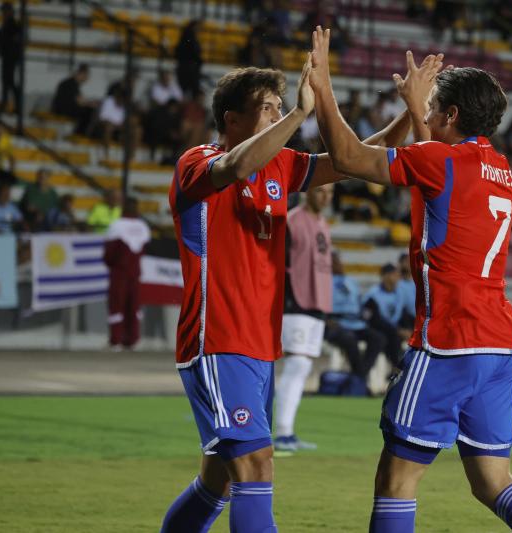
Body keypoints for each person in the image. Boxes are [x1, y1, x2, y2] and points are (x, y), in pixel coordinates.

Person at [309, 27, 512, 532]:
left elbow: (348, 158)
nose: (425, 111)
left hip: (450, 339)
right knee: (494, 482)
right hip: (501, 342)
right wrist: (415, 108)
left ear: (450, 115)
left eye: (432, 106)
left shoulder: (439, 160)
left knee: (397, 479)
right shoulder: (499, 167)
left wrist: (322, 88)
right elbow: (441, 170)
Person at [160, 57, 412, 533]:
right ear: (232, 119)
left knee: (219, 482)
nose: (279, 114)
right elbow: (237, 164)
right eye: (268, 108)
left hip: (258, 345)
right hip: (217, 340)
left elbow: (356, 158)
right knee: (256, 467)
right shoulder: (197, 163)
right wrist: (299, 114)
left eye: (281, 106)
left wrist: (409, 110)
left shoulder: (281, 164)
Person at [274, 184, 333, 452]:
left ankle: (287, 432)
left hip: (317, 303)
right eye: (321, 191)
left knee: (304, 366)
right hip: (295, 300)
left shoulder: (323, 223)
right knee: (296, 364)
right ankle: (282, 432)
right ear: (307, 191)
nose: (326, 197)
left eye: (330, 193)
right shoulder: (291, 221)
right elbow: (278, 261)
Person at [326, 251, 387, 390]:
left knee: (378, 338)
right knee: (350, 340)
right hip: (335, 323)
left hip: (356, 323)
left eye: (338, 261)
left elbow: (360, 303)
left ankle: (359, 376)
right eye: (334, 261)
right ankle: (360, 381)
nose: (338, 264)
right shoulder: (324, 281)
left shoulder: (351, 281)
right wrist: (326, 319)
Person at [103, 197, 151, 351]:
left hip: (119, 272)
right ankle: (132, 339)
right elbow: (144, 249)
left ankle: (116, 340)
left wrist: (110, 263)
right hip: (135, 271)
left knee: (117, 305)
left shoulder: (116, 226)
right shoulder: (142, 226)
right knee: (134, 305)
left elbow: (110, 252)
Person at [361, 263, 410, 367]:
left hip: (394, 329)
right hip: (378, 328)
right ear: (386, 276)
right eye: (395, 275)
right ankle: (396, 367)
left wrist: (409, 329)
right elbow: (373, 320)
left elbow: (403, 313)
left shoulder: (399, 293)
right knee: (390, 337)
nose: (398, 278)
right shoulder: (373, 294)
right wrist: (398, 330)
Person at [52, 63, 96, 135]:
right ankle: (79, 134)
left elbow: (80, 100)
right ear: (81, 74)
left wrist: (89, 103)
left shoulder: (71, 83)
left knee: (87, 111)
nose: (87, 78)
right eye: (86, 75)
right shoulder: (71, 84)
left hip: (63, 108)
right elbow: (80, 102)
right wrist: (91, 104)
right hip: (63, 110)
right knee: (89, 112)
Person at [0, 2, 21, 115]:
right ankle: (7, 105)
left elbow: (12, 41)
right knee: (7, 82)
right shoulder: (8, 24)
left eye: (5, 11)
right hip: (7, 57)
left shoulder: (13, 24)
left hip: (10, 57)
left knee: (8, 82)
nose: (3, 14)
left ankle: (11, 105)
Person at [396, 252, 416, 325]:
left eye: (408, 261)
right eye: (405, 261)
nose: (407, 263)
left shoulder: (418, 282)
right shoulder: (396, 284)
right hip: (402, 320)